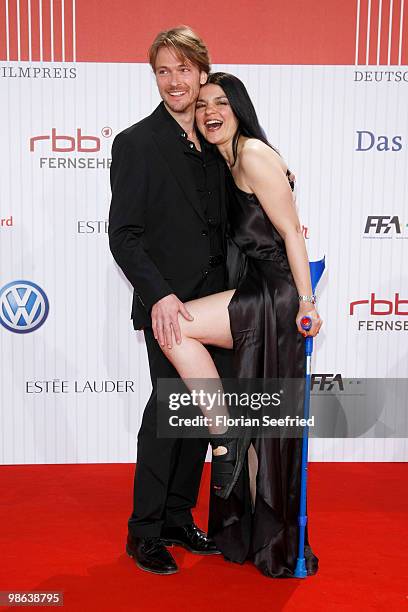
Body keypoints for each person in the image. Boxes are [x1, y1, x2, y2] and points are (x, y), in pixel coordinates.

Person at [159, 72, 322, 578]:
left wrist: (307, 301)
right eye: (202, 103)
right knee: (263, 424)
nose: (210, 110)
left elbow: (293, 233)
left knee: (177, 327)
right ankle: (259, 536)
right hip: (258, 290)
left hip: (274, 298)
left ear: (239, 108)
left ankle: (222, 430)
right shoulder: (224, 163)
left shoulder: (251, 154)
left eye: (220, 103)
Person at [108, 28, 234, 575]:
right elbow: (124, 234)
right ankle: (145, 531)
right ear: (154, 76)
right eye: (164, 70)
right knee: (167, 412)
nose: (175, 81)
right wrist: (157, 293)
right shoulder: (136, 143)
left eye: (184, 69)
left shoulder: (215, 138)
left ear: (202, 72)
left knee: (199, 417)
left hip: (218, 306)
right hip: (170, 307)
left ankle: (179, 517)